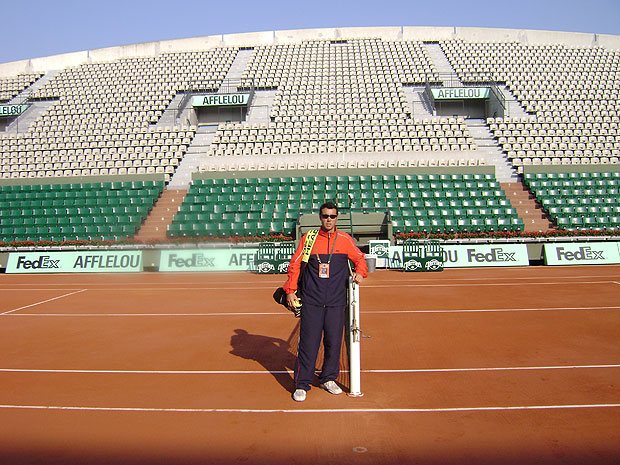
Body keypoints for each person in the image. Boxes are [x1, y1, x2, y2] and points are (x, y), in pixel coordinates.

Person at [283, 201, 368, 402]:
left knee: (333, 342)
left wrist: (360, 273)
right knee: (308, 344)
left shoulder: (345, 240)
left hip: (336, 302)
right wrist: (290, 290)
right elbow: (294, 265)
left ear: (337, 218)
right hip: (312, 301)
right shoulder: (309, 239)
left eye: (332, 216)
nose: (328, 220)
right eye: (325, 216)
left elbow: (360, 259)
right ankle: (302, 384)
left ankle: (328, 378)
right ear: (320, 217)